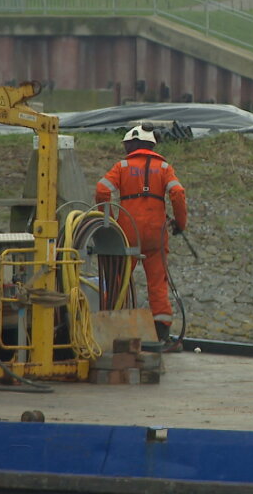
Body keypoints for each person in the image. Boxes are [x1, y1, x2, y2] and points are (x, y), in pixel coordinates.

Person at [96, 124, 188, 344]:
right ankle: (161, 332)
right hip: (156, 233)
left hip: (127, 231)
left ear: (132, 144)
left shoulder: (122, 165)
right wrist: (180, 223)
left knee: (118, 279)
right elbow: (178, 193)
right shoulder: (164, 167)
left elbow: (102, 189)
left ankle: (109, 327)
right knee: (157, 283)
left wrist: (107, 220)